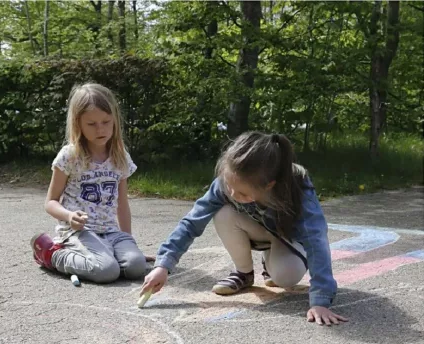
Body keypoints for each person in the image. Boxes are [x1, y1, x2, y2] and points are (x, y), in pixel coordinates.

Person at [141, 131, 348, 326]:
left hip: (286, 237)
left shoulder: (297, 187)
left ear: (269, 185)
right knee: (223, 213)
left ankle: (270, 265)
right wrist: (164, 265)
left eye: (242, 193)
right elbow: (192, 222)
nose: (231, 193)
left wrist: (320, 300)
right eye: (228, 185)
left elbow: (315, 239)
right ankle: (243, 273)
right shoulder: (228, 182)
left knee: (286, 277)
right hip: (257, 228)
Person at [30, 83, 146, 283]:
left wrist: (129, 242)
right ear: (78, 124)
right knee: (106, 271)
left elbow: (122, 204)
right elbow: (50, 202)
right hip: (79, 232)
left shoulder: (120, 157)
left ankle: (107, 255)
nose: (100, 129)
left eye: (106, 122)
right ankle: (51, 254)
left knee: (137, 266)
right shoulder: (70, 156)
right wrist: (69, 216)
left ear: (115, 120)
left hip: (111, 232)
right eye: (91, 124)